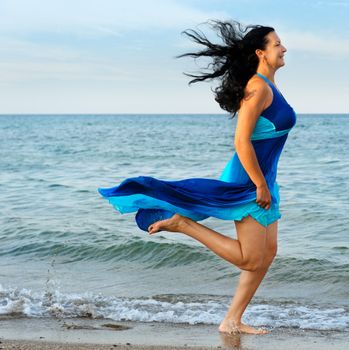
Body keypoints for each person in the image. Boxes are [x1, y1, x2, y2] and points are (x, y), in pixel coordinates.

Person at [97, 19, 296, 334]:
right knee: (250, 259)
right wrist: (258, 183)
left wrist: (265, 181)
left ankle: (232, 320)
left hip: (265, 177)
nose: (284, 48)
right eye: (277, 44)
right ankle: (182, 224)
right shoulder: (257, 88)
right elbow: (242, 141)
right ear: (261, 52)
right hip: (248, 180)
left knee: (267, 254)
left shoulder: (269, 86)